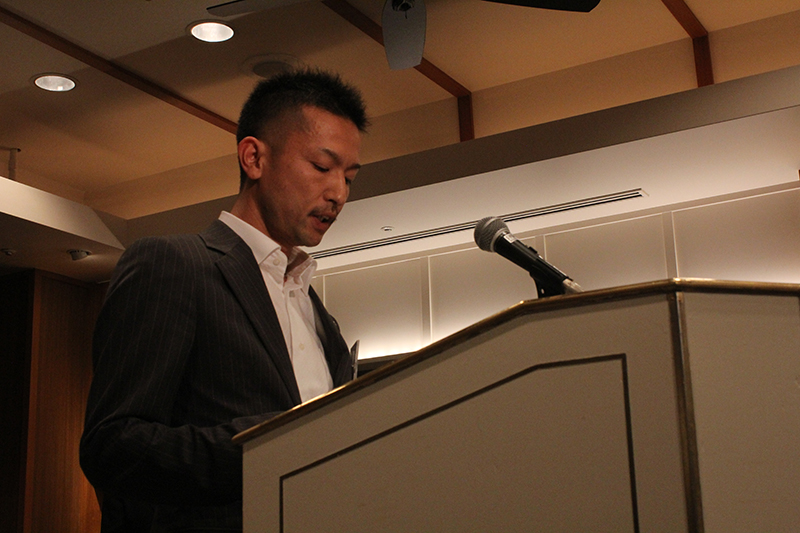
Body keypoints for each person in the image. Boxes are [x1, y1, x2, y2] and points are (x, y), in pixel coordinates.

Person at [80, 68, 369, 532]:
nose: (338, 193)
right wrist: (274, 442)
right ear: (253, 158)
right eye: (321, 167)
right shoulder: (174, 264)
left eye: (349, 178)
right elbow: (113, 446)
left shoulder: (318, 313)